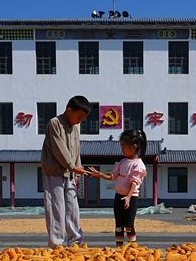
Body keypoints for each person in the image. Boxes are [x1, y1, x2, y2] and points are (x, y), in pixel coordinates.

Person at [41, 95, 92, 249]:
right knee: (56, 208)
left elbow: (76, 151)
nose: (79, 121)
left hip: (70, 174)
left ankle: (75, 242)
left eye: (82, 118)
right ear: (69, 110)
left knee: (72, 208)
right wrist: (71, 165)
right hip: (54, 173)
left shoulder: (75, 129)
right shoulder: (55, 123)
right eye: (79, 117)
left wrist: (76, 172)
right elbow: (59, 149)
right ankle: (56, 244)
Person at [87, 129, 148, 247]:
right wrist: (99, 174)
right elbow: (113, 177)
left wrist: (128, 197)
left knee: (129, 224)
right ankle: (119, 248)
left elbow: (134, 182)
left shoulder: (138, 164)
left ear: (134, 146)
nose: (122, 149)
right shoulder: (122, 162)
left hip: (131, 198)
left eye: (124, 146)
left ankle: (131, 248)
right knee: (119, 225)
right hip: (119, 196)